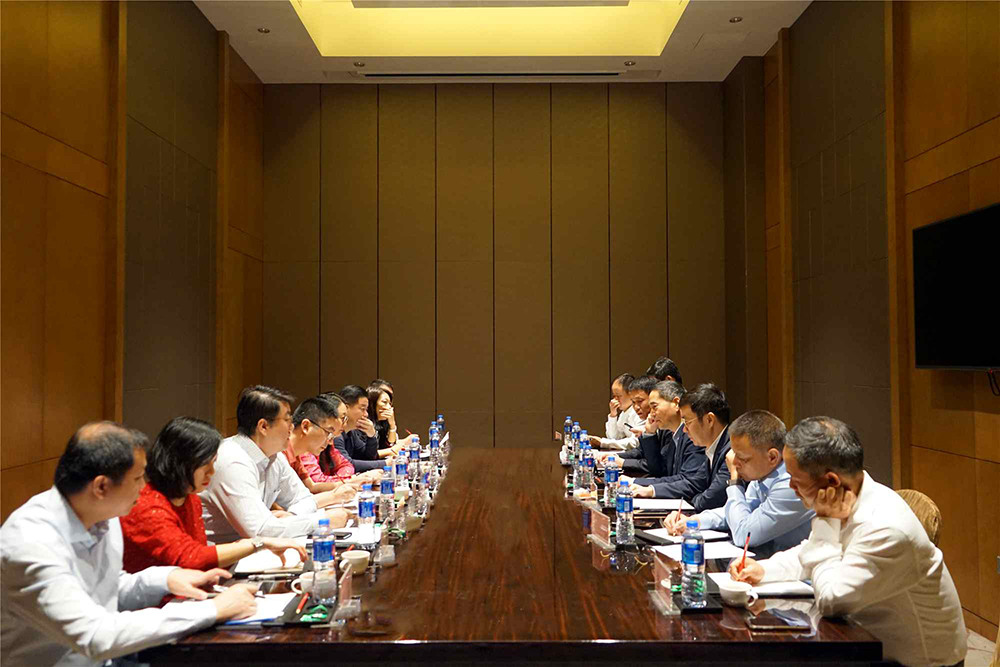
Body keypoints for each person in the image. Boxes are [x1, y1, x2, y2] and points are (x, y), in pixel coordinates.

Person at [1, 422, 257, 666]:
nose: (144, 486)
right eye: (137, 479)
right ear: (101, 486)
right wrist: (213, 610)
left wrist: (167, 578)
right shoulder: (31, 544)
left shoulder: (103, 516)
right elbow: (96, 636)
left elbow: (109, 588)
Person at [730, 417, 966, 667]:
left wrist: (825, 520)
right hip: (863, 639)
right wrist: (765, 569)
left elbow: (831, 601)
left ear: (831, 481)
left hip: (918, 662)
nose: (791, 486)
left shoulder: (884, 528)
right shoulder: (850, 495)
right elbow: (810, 552)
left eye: (795, 479)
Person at [121, 417, 308, 573]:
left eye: (214, 463)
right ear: (181, 462)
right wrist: (258, 544)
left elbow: (201, 555)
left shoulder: (190, 498)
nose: (212, 472)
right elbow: (191, 557)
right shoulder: (148, 506)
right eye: (206, 465)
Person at [200, 385, 351, 545]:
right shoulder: (232, 460)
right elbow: (259, 531)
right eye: (287, 420)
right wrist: (322, 521)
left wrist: (292, 517)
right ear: (263, 426)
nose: (292, 427)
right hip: (224, 555)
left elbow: (303, 498)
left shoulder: (275, 456)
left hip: (256, 550)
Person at [664, 410, 814, 556]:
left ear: (772, 457)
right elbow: (737, 512)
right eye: (734, 454)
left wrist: (735, 482)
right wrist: (694, 521)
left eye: (742, 458)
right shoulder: (763, 474)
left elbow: (744, 534)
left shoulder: (791, 485)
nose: (734, 463)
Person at [623, 381, 708, 501]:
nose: (651, 414)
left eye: (654, 407)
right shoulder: (674, 435)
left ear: (676, 403)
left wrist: (638, 483)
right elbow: (659, 470)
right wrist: (649, 433)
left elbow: (687, 479)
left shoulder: (693, 436)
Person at [660, 383, 732, 514]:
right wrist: (650, 490)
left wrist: (692, 500)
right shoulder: (715, 446)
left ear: (709, 420)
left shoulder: (732, 450)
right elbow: (694, 483)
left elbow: (711, 499)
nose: (684, 430)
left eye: (687, 422)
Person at [283, 395, 373, 493]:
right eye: (328, 432)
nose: (330, 441)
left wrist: (354, 482)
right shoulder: (280, 455)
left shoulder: (296, 456)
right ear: (305, 426)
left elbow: (311, 487)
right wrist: (350, 482)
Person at [331, 384, 386, 473]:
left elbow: (368, 457)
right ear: (346, 408)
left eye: (366, 410)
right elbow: (347, 464)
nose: (366, 414)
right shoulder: (335, 435)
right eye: (362, 409)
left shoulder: (351, 433)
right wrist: (385, 463)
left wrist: (371, 436)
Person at [592, 373, 643, 450]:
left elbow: (635, 443)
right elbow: (613, 437)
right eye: (614, 396)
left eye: (618, 396)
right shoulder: (624, 413)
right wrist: (613, 415)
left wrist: (603, 442)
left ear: (631, 394)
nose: (614, 400)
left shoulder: (640, 412)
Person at [367, 382, 412, 457]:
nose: (388, 407)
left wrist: (392, 425)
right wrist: (391, 450)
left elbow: (389, 444)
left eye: (389, 403)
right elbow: (366, 455)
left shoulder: (382, 422)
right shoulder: (365, 422)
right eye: (384, 402)